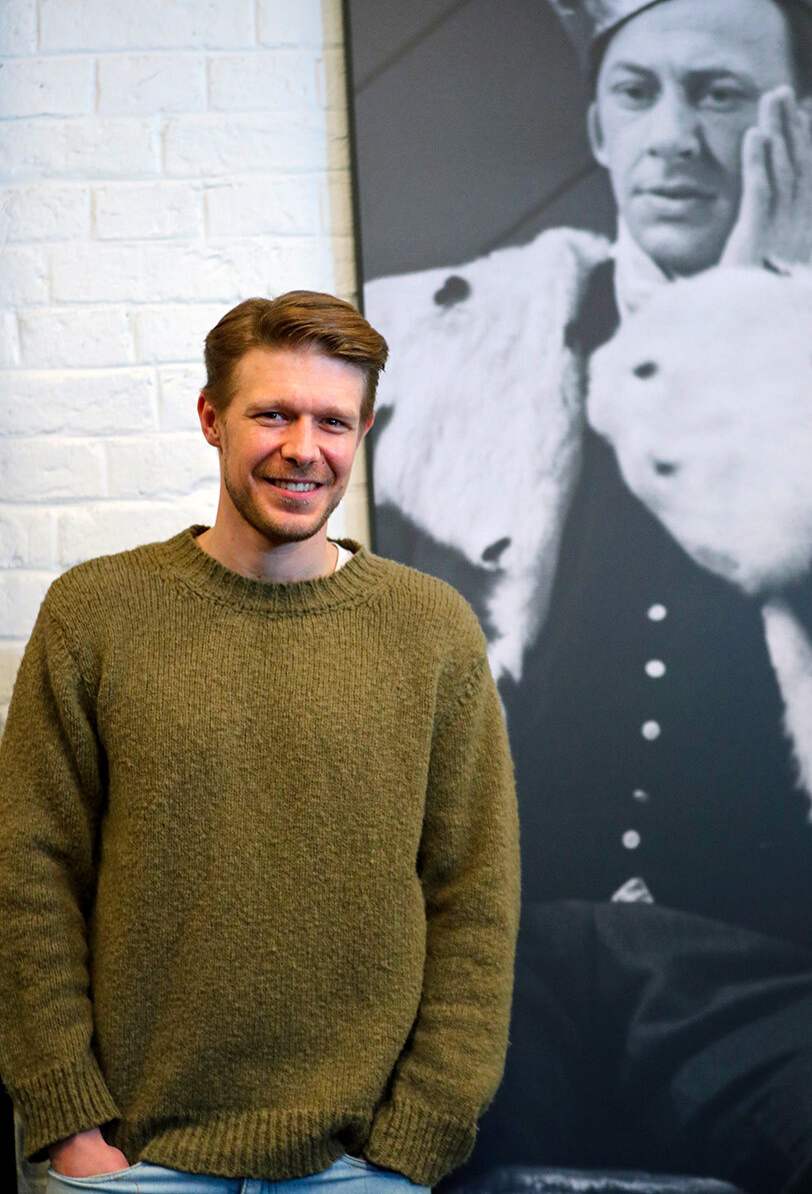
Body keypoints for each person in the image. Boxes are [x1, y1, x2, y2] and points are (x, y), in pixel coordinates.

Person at [363, 0, 812, 1190]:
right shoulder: (434, 356)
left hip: (784, 972)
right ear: (597, 126)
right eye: (638, 93)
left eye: (721, 96)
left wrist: (765, 320)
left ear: (810, 128)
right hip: (510, 958)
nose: (672, 135)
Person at [0, 292, 520, 1194]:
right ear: (211, 417)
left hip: (361, 1170)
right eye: (271, 413)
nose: (302, 448)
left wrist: (418, 1138)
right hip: (133, 1163)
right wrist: (70, 1123)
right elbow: (28, 873)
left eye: (333, 421)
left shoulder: (430, 630)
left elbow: (474, 892)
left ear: (363, 432)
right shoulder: (94, 615)